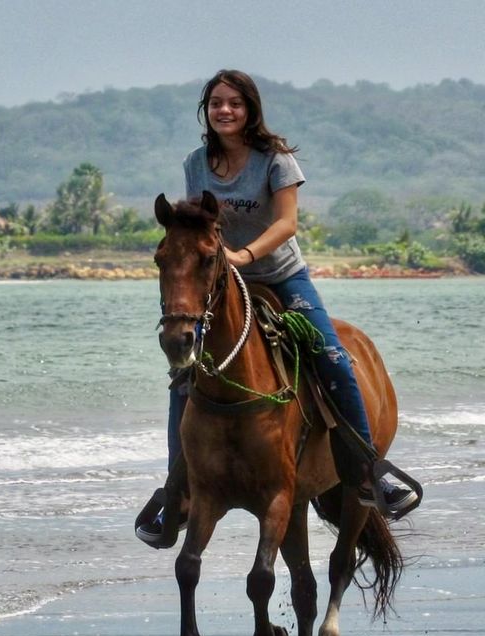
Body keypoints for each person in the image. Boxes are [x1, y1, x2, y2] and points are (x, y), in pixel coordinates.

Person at [136, 69, 418, 544]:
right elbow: (197, 228)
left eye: (234, 103)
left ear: (250, 110)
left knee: (332, 357)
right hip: (222, 282)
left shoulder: (275, 160)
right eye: (216, 103)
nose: (224, 110)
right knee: (185, 375)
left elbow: (287, 224)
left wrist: (243, 255)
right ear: (206, 111)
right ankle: (177, 492)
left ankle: (370, 471)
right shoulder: (196, 163)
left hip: (281, 276)